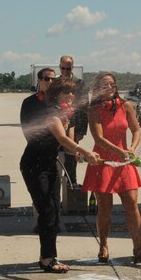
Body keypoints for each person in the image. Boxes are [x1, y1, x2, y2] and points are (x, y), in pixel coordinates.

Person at [20, 73, 101, 273]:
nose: (71, 96)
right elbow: (63, 139)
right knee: (47, 210)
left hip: (50, 165)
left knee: (55, 210)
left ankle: (48, 255)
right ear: (56, 95)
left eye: (72, 93)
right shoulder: (50, 113)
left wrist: (80, 154)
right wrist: (85, 152)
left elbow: (68, 145)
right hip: (34, 166)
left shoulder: (65, 114)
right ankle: (48, 259)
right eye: (66, 93)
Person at [81, 72, 141, 264]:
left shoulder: (126, 105)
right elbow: (98, 138)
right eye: (104, 85)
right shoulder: (94, 110)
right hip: (103, 162)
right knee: (105, 207)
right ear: (98, 89)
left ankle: (138, 248)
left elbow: (136, 129)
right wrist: (119, 151)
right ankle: (103, 246)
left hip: (124, 162)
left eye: (112, 85)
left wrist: (132, 148)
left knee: (132, 203)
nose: (109, 88)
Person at [58, 55, 87, 186]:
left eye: (68, 69)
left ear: (72, 68)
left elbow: (84, 108)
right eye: (62, 68)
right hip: (58, 126)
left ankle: (71, 189)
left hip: (74, 126)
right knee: (57, 161)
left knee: (71, 162)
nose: (65, 71)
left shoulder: (79, 83)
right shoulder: (55, 83)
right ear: (59, 67)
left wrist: (81, 131)